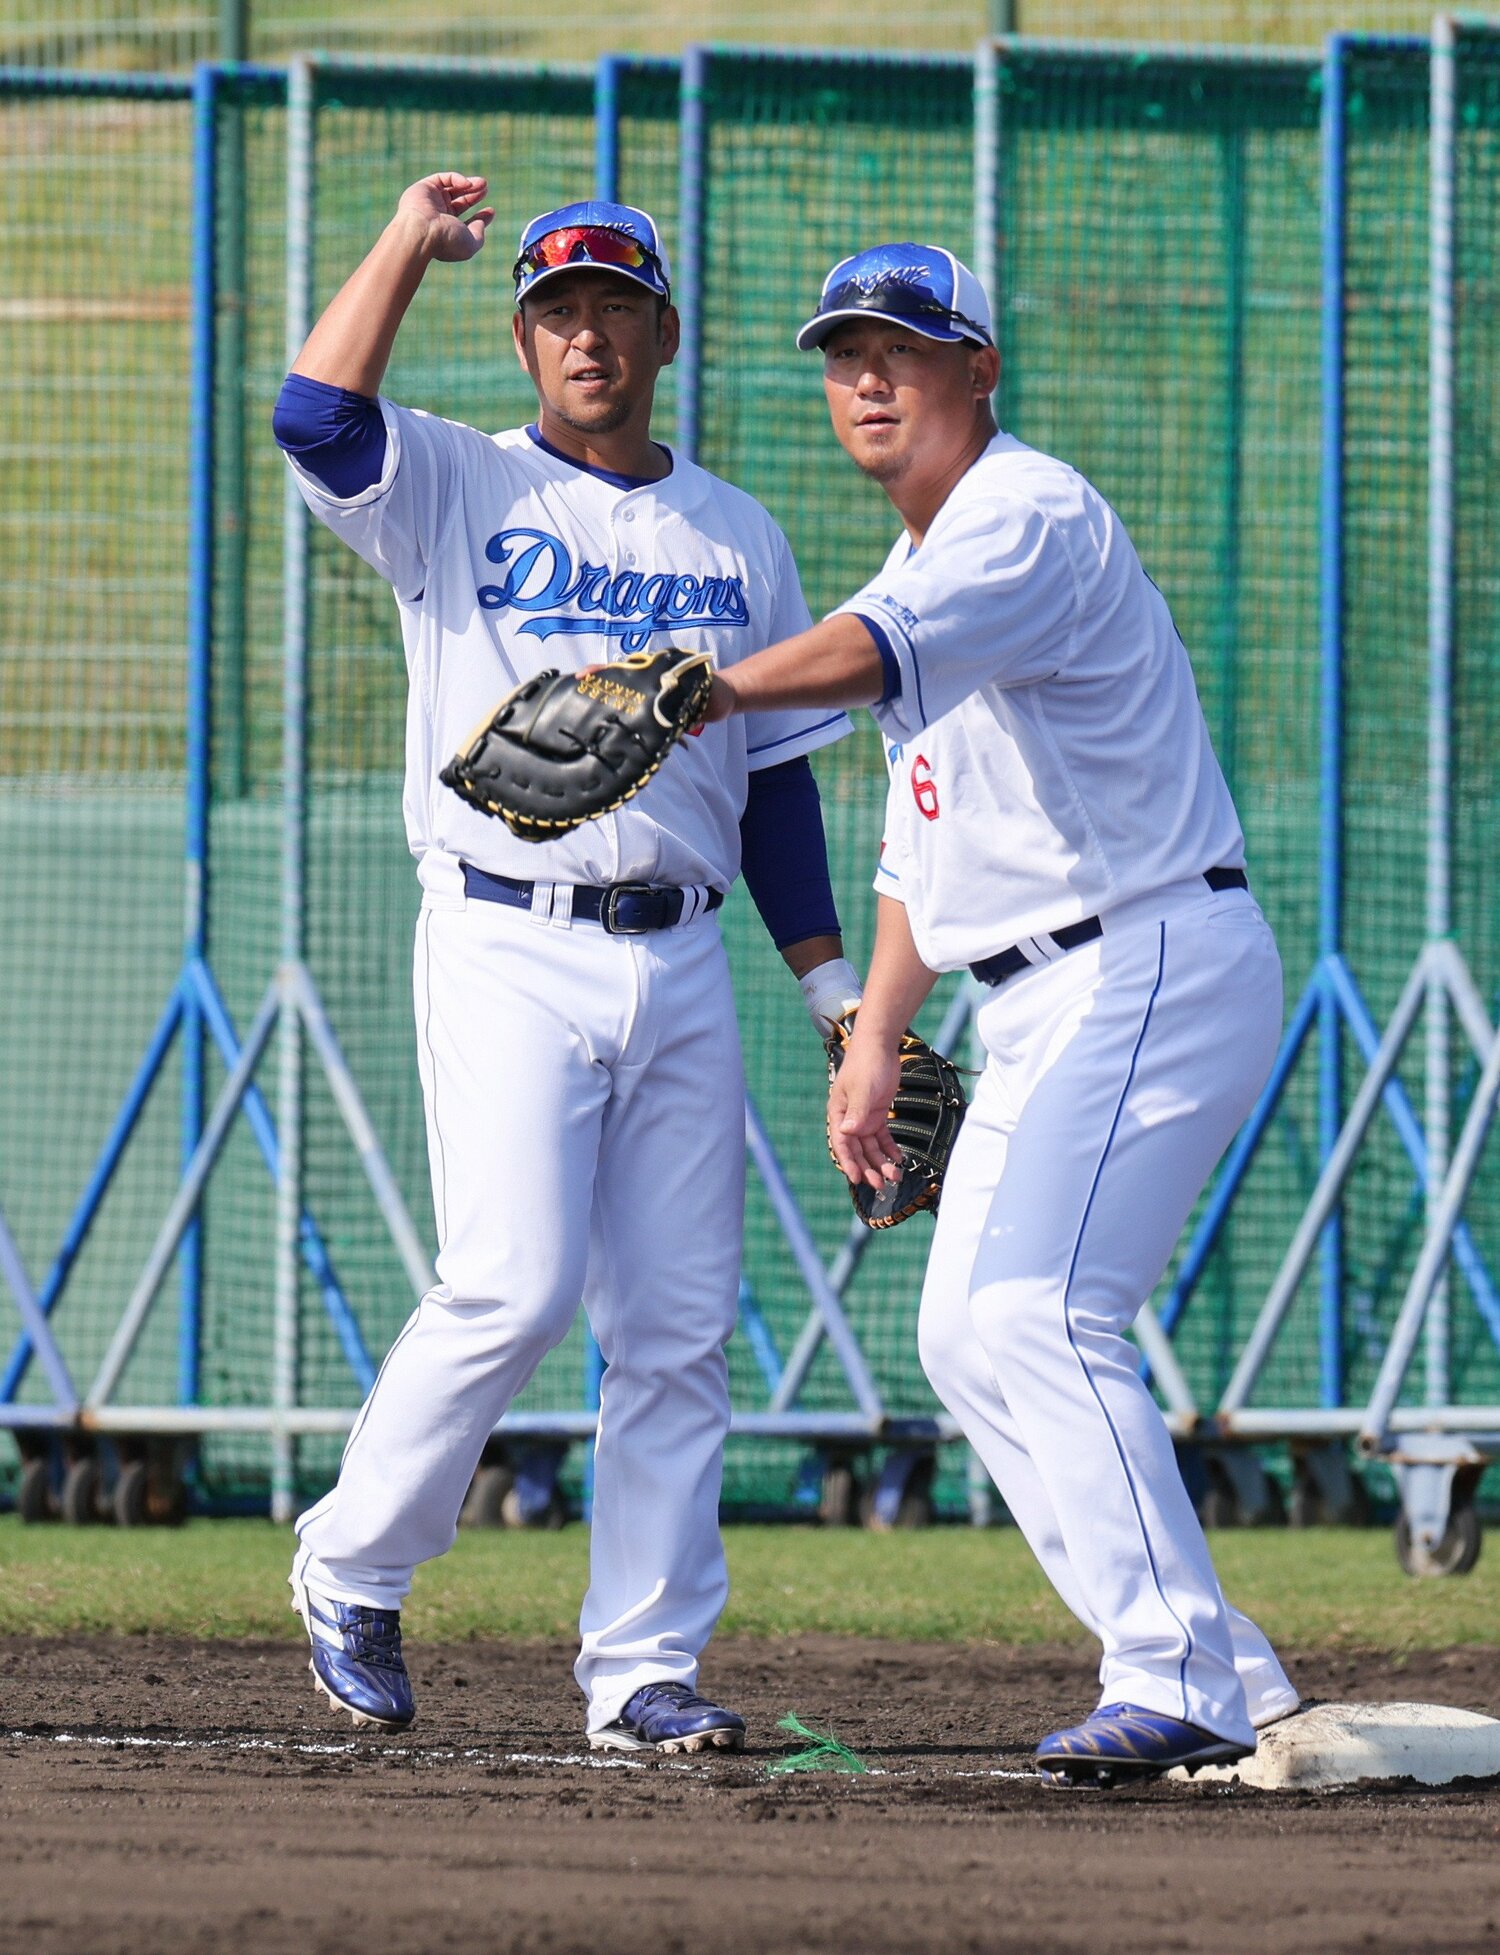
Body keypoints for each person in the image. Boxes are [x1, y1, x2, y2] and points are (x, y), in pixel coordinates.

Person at [698, 242, 1300, 1786]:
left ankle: (1174, 1667)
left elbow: (857, 664)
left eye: (903, 346)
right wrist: (877, 1034)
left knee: (1042, 1309)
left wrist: (690, 690)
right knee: (968, 1331)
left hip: (1146, 956)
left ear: (981, 371)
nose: (868, 376)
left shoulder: (1025, 516)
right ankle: (1221, 1660)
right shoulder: (918, 572)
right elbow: (919, 845)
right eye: (843, 352)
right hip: (1040, 992)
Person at [271, 181, 861, 1753]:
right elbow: (316, 417)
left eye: (611, 306)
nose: (583, 333)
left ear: (664, 330)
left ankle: (643, 1669)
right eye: (553, 310)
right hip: (502, 934)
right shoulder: (456, 482)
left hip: (681, 958)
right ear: (524, 336)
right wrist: (403, 242)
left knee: (677, 1327)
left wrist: (827, 989)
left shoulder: (737, 531)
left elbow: (783, 782)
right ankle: (353, 1560)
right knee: (513, 1282)